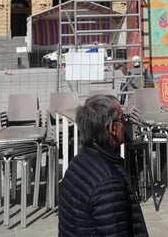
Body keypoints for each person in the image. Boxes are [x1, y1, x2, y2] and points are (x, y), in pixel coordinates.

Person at [58, 94, 148, 236]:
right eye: (123, 119)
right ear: (112, 128)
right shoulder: (109, 183)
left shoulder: (78, 161)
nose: (125, 124)